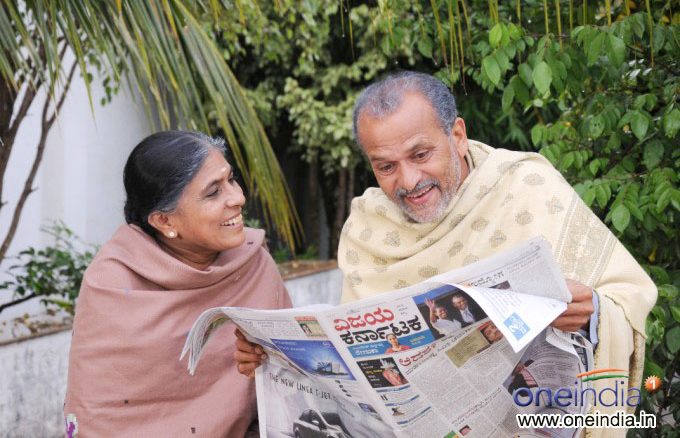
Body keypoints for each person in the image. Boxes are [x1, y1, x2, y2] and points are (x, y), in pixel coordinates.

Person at [234, 72, 657, 435]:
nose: (408, 181)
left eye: (420, 155)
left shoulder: (527, 189)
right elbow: (351, 366)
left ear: (457, 135)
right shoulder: (366, 228)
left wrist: (594, 311)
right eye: (385, 166)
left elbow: (627, 295)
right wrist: (277, 358)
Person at [64, 131, 290, 437]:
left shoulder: (253, 262)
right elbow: (100, 413)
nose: (238, 198)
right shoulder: (112, 283)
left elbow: (292, 390)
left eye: (231, 180)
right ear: (165, 221)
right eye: (213, 192)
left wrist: (264, 366)